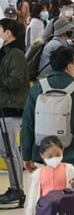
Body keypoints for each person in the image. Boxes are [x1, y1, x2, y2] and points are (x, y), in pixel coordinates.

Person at [23, 46, 74, 170]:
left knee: (49, 187)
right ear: (69, 67)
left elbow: (28, 123)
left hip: (44, 153)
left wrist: (26, 155)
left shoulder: (37, 88)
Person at [0, 18, 29, 204]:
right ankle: (13, 187)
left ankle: (17, 189)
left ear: (8, 32)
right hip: (4, 106)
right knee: (5, 150)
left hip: (12, 107)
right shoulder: (6, 52)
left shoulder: (16, 54)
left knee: (10, 151)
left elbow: (15, 81)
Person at [25, 136, 74, 215]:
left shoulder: (69, 169)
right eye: (50, 156)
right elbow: (32, 197)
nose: (54, 158)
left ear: (63, 150)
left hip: (64, 208)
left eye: (58, 155)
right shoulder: (38, 174)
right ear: (42, 155)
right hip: (45, 210)